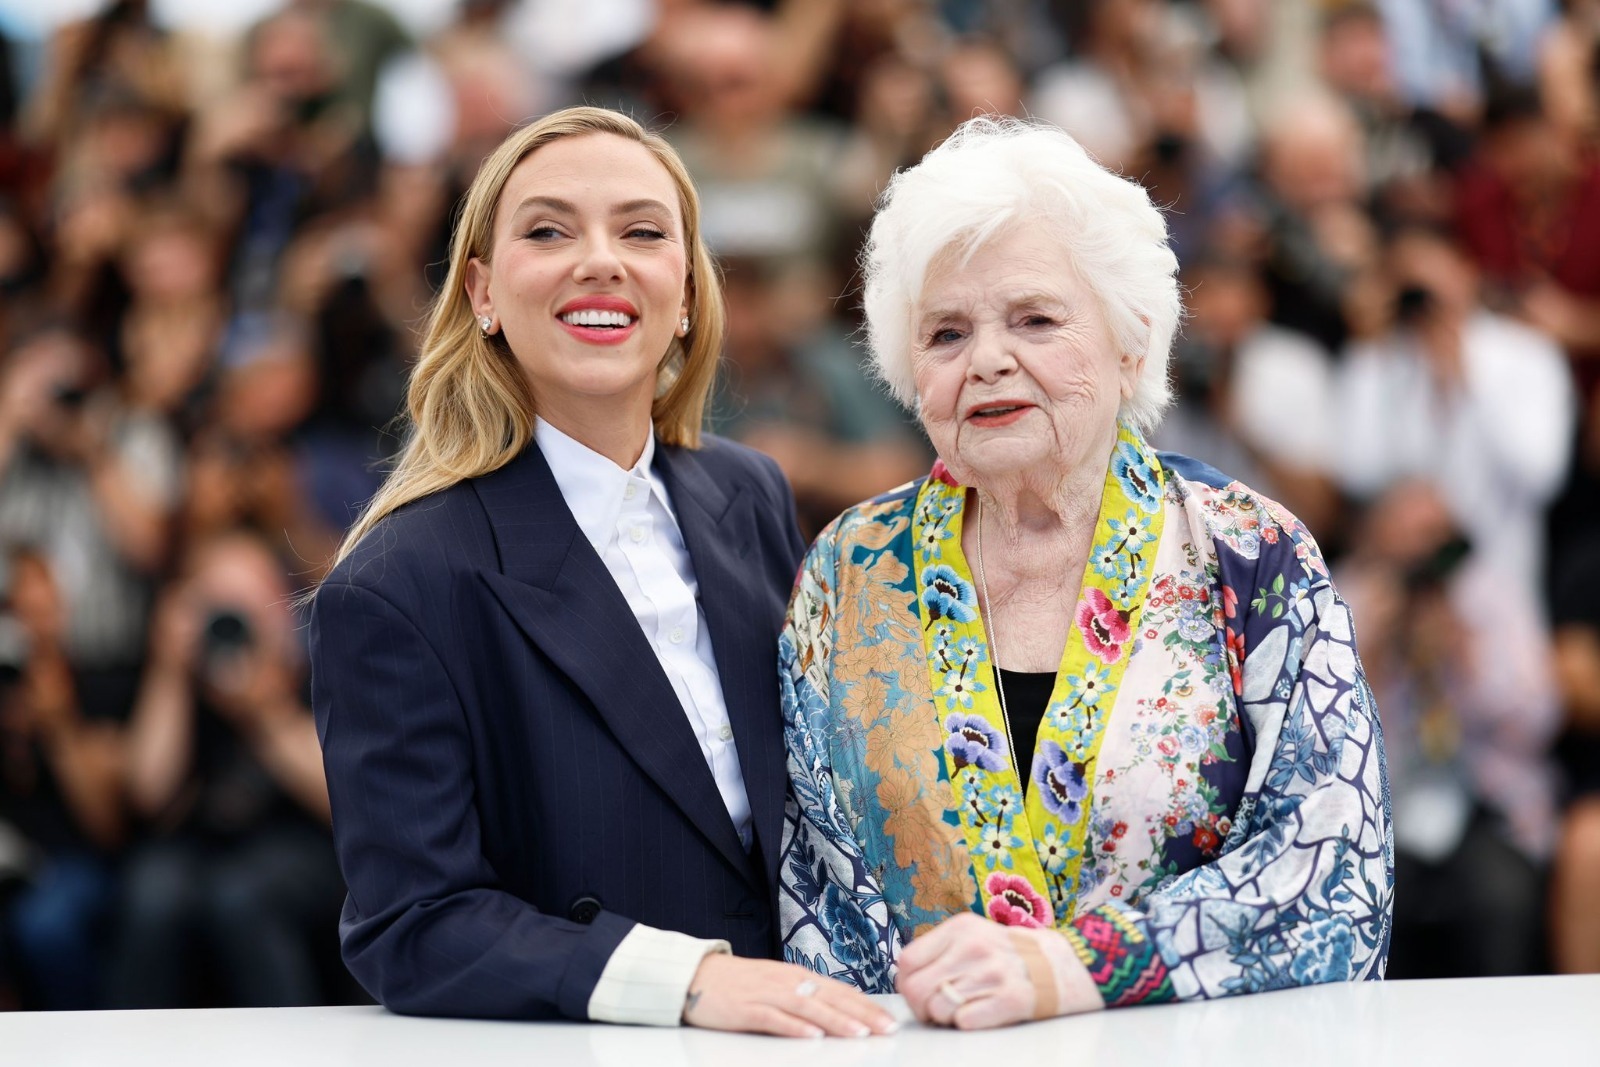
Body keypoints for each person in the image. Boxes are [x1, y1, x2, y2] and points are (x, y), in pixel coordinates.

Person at [778, 117, 1393, 1029]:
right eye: (946, 333)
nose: (987, 358)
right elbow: (817, 895)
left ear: (1131, 344)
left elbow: (1339, 872)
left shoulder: (1246, 551)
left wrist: (1076, 967)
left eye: (1035, 319)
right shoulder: (848, 568)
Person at [308, 107, 896, 1037]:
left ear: (689, 292)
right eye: (548, 231)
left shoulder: (748, 495)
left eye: (642, 231)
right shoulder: (395, 586)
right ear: (483, 293)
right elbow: (413, 925)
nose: (600, 260)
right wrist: (689, 982)